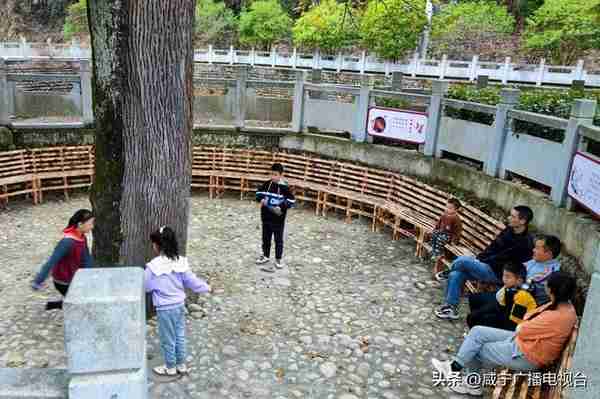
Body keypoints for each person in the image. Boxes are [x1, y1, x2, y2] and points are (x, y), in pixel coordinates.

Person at [432, 271, 577, 396]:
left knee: (476, 349)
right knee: (477, 331)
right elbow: (527, 320)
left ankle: (469, 381)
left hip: (527, 355)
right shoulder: (562, 305)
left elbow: (522, 328)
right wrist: (526, 326)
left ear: (552, 290)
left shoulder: (557, 315)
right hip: (524, 342)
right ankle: (456, 370)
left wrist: (525, 326)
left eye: (547, 284)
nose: (544, 286)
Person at [435, 205, 534, 320]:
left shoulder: (524, 243)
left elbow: (501, 259)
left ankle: (453, 268)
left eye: (512, 216)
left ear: (522, 221)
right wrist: (480, 259)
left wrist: (480, 261)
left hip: (498, 273)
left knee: (462, 261)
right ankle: (451, 308)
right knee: (456, 274)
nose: (508, 218)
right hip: (486, 266)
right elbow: (492, 247)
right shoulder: (509, 230)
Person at [145, 226, 212, 376]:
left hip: (164, 309)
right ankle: (181, 364)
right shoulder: (180, 262)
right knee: (180, 335)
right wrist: (206, 287)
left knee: (167, 338)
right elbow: (192, 281)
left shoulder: (153, 267)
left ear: (157, 245)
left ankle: (170, 367)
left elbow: (146, 287)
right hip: (179, 305)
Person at [31, 209, 94, 310]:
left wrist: (92, 275)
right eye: (90, 224)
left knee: (81, 299)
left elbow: (86, 259)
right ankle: (58, 305)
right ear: (80, 224)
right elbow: (51, 262)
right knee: (79, 304)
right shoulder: (67, 242)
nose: (92, 227)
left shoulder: (82, 237)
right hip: (63, 281)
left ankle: (56, 304)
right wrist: (38, 280)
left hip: (74, 277)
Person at [466, 262, 537, 331]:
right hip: (507, 315)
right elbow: (500, 305)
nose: (504, 279)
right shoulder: (510, 287)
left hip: (517, 326)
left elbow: (514, 323)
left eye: (508, 277)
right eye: (504, 275)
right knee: (474, 315)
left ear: (519, 280)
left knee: (483, 319)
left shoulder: (522, 296)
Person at [255, 163, 296, 272]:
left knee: (278, 240)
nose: (273, 177)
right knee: (266, 238)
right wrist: (261, 199)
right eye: (271, 174)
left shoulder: (285, 187)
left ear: (281, 175)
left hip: (278, 220)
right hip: (266, 217)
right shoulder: (266, 184)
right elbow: (258, 193)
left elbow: (291, 200)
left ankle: (278, 259)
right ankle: (265, 255)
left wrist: (281, 206)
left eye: (275, 174)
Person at [524, 235, 561, 306]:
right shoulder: (536, 260)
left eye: (537, 248)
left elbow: (529, 289)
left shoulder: (550, 273)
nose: (533, 250)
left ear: (549, 253)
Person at [428, 198, 463, 264]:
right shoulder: (444, 215)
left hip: (449, 235)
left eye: (450, 208)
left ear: (456, 210)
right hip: (441, 232)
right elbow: (438, 223)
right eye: (446, 207)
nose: (447, 209)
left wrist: (454, 241)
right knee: (433, 235)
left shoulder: (456, 219)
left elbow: (458, 231)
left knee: (440, 239)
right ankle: (434, 250)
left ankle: (440, 254)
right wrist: (435, 230)